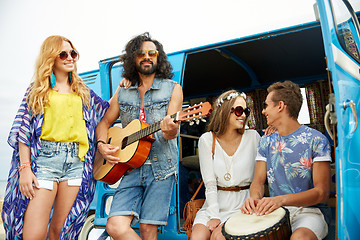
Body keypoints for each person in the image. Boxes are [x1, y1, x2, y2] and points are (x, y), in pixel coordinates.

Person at [2, 35, 109, 239]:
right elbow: (23, 130)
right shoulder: (38, 90)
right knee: (34, 234)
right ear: (51, 57)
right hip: (45, 163)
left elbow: (107, 111)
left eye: (73, 53)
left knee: (62, 231)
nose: (70, 58)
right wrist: (25, 168)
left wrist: (123, 87)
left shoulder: (83, 92)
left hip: (76, 163)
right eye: (63, 54)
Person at [95, 32, 183, 240]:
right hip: (130, 167)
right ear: (132, 59)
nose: (147, 56)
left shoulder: (173, 89)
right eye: (141, 53)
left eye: (152, 53)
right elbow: (104, 122)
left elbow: (171, 133)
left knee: (147, 230)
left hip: (161, 168)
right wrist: (101, 145)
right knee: (115, 226)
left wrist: (170, 128)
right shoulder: (123, 91)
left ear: (158, 57)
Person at [241, 81, 331, 240]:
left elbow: (321, 193)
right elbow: (258, 181)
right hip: (275, 213)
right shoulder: (265, 141)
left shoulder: (317, 140)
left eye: (266, 105)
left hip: (309, 213)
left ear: (280, 106)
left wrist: (281, 200)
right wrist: (254, 198)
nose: (263, 111)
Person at [191, 90, 260, 240]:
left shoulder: (253, 137)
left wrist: (273, 132)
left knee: (219, 237)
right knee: (197, 237)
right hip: (214, 203)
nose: (243, 115)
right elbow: (210, 183)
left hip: (243, 204)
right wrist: (214, 216)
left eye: (246, 111)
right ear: (224, 111)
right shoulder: (207, 140)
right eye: (238, 110)